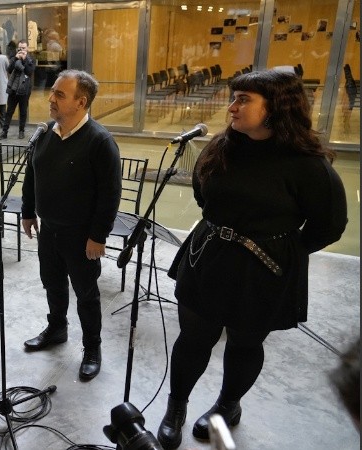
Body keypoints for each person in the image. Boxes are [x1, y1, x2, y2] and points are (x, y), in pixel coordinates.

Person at [155, 70, 347, 449]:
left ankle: (228, 406)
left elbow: (329, 225)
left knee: (244, 344)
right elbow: (202, 194)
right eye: (234, 97)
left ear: (276, 106)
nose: (232, 107)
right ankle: (176, 408)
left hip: (263, 268)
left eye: (243, 99)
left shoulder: (308, 165)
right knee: (193, 338)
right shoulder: (221, 147)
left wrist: (280, 249)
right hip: (207, 256)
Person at [21, 70, 122, 381]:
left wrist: (98, 236)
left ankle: (92, 347)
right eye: (52, 92)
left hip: (81, 236)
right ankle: (57, 329)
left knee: (86, 293)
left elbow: (110, 195)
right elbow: (32, 175)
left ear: (81, 101)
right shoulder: (46, 133)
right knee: (52, 283)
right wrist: (27, 211)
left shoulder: (99, 141)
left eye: (59, 95)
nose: (50, 98)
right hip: (48, 228)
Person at [0, 39, 35, 140]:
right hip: (13, 89)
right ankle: (4, 131)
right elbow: (9, 70)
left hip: (24, 89)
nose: (21, 50)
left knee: (23, 112)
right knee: (9, 111)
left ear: (27, 48)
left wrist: (25, 60)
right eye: (20, 48)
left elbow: (29, 72)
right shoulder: (14, 57)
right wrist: (15, 59)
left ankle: (21, 131)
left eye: (23, 48)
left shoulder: (31, 59)